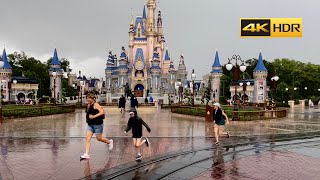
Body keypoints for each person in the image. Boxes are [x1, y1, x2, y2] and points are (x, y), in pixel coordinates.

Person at [80, 93, 113, 159]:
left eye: (89, 98)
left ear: (93, 98)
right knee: (88, 139)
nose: (88, 99)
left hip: (98, 125)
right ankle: (86, 154)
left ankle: (109, 142)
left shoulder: (96, 104)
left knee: (99, 139)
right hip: (90, 125)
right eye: (87, 98)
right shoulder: (88, 105)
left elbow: (102, 112)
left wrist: (94, 116)